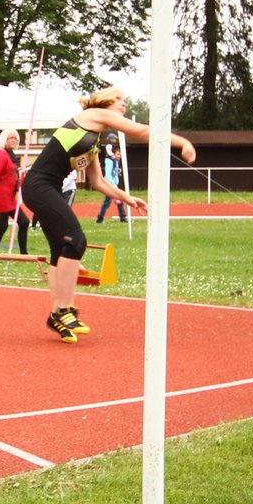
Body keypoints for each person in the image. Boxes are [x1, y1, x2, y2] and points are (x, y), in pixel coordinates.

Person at [22, 86, 194, 343]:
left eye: (125, 100)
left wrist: (127, 198)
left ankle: (56, 315)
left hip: (48, 188)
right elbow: (142, 131)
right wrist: (183, 142)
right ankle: (63, 311)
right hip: (39, 186)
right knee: (75, 240)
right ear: (104, 101)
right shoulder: (95, 114)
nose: (124, 104)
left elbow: (98, 181)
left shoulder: (95, 138)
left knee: (60, 248)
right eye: (118, 99)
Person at [0, 129, 29, 255]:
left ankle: (24, 253)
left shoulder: (9, 155)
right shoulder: (0, 155)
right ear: (4, 139)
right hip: (2, 196)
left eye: (16, 138)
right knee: (2, 226)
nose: (14, 140)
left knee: (24, 222)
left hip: (9, 197)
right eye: (11, 138)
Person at [95, 136, 129, 223]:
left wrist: (118, 171)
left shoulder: (115, 162)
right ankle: (123, 218)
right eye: (118, 154)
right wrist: (113, 185)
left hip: (113, 184)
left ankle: (100, 218)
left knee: (108, 202)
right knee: (118, 200)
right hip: (110, 184)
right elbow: (107, 175)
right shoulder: (109, 161)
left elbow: (114, 172)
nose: (119, 156)